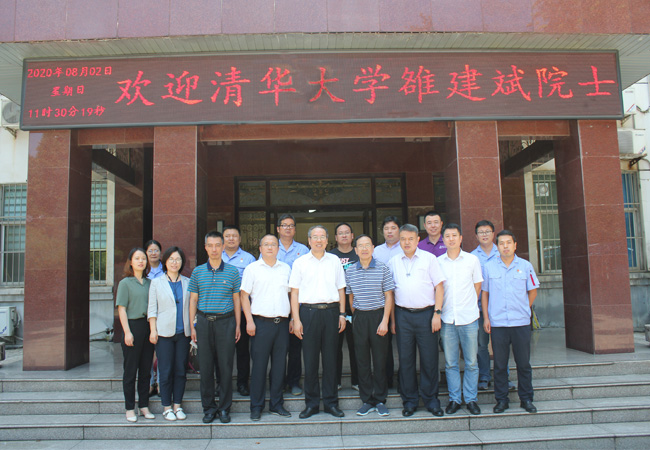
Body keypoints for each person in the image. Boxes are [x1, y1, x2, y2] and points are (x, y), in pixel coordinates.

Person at [388, 224, 446, 417]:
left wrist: (437, 313)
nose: (407, 242)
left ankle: (431, 400)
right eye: (403, 239)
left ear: (417, 240)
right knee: (406, 360)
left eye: (410, 239)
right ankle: (410, 401)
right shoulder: (393, 262)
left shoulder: (429, 259)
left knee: (429, 359)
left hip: (426, 315)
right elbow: (391, 293)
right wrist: (393, 321)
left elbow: (439, 287)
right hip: (403, 315)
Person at [290, 225, 347, 419]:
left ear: (327, 240)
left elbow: (341, 289)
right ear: (309, 240)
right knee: (310, 360)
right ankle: (312, 404)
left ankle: (331, 403)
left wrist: (342, 314)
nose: (319, 240)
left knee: (331, 359)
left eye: (322, 236)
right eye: (315, 237)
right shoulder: (300, 262)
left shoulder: (334, 261)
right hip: (308, 313)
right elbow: (294, 292)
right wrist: (296, 319)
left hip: (331, 312)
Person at [482, 230, 539, 414]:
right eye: (501, 243)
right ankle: (501, 400)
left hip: (520, 323)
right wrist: (486, 317)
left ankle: (526, 399)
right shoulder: (489, 267)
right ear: (497, 246)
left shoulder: (525, 266)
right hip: (498, 323)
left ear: (515, 245)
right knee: (500, 365)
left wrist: (524, 308)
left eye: (508, 243)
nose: (505, 246)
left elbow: (533, 290)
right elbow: (485, 294)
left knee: (523, 364)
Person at [189, 231, 241, 424]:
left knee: (226, 367)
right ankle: (209, 408)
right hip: (203, 322)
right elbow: (193, 300)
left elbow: (237, 300)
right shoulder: (198, 272)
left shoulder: (232, 271)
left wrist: (238, 325)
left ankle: (225, 408)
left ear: (223, 247)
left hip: (226, 322)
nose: (214, 249)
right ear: (205, 248)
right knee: (206, 367)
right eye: (210, 245)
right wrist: (192, 326)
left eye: (217, 245)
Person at [240, 234, 292, 421]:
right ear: (260, 248)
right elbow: (244, 295)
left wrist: (293, 318)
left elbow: (291, 295)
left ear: (278, 248)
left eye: (273, 244)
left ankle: (277, 404)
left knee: (279, 366)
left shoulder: (286, 268)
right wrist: (249, 321)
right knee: (259, 367)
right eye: (266, 244)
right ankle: (256, 406)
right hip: (260, 324)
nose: (270, 247)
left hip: (282, 324)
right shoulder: (252, 269)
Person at [345, 235, 395, 417]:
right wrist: (357, 316)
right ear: (356, 250)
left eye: (367, 245)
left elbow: (389, 296)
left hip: (378, 316)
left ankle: (380, 399)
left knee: (380, 360)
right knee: (362, 360)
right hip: (360, 317)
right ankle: (366, 399)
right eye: (360, 246)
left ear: (373, 248)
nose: (364, 249)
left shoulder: (383, 267)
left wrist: (385, 320)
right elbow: (350, 297)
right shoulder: (350, 270)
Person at [437, 224, 483, 416]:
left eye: (454, 235)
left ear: (461, 238)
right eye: (447, 236)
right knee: (451, 363)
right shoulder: (438, 262)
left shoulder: (472, 260)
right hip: (447, 319)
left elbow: (477, 286)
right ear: (443, 239)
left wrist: (467, 304)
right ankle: (455, 399)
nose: (451, 239)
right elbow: (437, 289)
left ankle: (471, 399)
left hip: (469, 318)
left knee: (471, 362)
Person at [147, 246, 191, 421]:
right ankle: (166, 407)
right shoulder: (156, 283)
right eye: (171, 259)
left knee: (180, 371)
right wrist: (153, 330)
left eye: (178, 259)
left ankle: (177, 406)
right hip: (163, 334)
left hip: (183, 333)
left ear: (182, 262)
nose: (174, 262)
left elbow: (192, 308)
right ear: (165, 261)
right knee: (165, 371)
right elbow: (152, 309)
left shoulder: (188, 282)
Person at [116, 247, 155, 423]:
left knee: (146, 371)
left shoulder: (150, 283)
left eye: (143, 258)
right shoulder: (125, 283)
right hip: (132, 327)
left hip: (147, 327)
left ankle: (144, 406)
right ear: (130, 262)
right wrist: (127, 332)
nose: (141, 261)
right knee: (131, 371)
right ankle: (130, 408)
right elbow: (121, 309)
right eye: (137, 258)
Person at [276, 213, 309, 396]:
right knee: (279, 347)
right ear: (278, 229)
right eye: (284, 225)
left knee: (296, 346)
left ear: (295, 229)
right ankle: (279, 381)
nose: (287, 228)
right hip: (277, 303)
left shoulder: (303, 250)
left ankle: (294, 381)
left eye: (291, 225)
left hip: (298, 303)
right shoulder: (271, 247)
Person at [222, 225, 256, 397]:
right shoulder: (216, 257)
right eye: (227, 236)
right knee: (222, 351)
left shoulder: (249, 259)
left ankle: (243, 383)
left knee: (243, 351)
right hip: (222, 312)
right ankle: (222, 384)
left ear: (240, 239)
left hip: (242, 311)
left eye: (234, 236)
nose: (231, 239)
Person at [372, 216, 403, 389]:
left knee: (405, 343)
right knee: (384, 343)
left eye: (393, 228)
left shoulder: (406, 248)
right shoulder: (376, 251)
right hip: (382, 302)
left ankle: (405, 379)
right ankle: (388, 378)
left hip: (404, 301)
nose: (389, 231)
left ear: (399, 230)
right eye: (386, 228)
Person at [329, 222, 359, 391]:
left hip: (356, 307)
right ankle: (336, 381)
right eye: (341, 233)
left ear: (352, 236)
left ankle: (357, 381)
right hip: (336, 308)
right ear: (336, 237)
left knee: (357, 346)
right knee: (335, 346)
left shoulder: (359, 253)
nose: (344, 235)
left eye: (347, 232)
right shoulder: (330, 256)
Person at [471, 220, 499, 391]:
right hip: (480, 309)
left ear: (493, 234)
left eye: (487, 231)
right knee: (482, 344)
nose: (484, 235)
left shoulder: (502, 252)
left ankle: (503, 377)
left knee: (500, 345)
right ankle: (484, 376)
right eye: (481, 232)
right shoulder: (472, 257)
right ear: (476, 236)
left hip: (499, 308)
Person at [144, 239, 163, 396]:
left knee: (162, 352)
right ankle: (150, 382)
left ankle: (161, 383)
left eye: (156, 250)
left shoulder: (167, 269)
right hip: (146, 315)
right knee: (147, 352)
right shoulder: (142, 270)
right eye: (150, 250)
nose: (153, 253)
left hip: (162, 316)